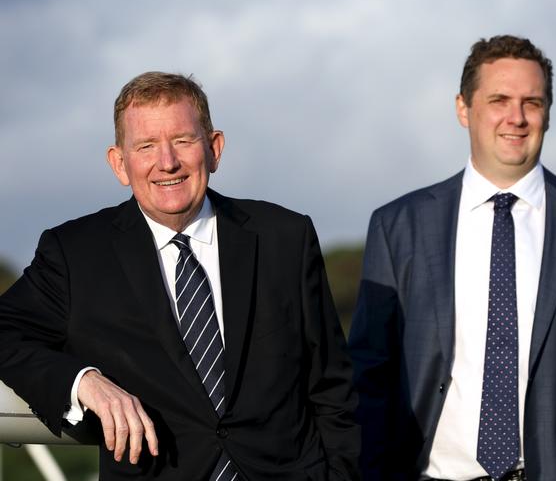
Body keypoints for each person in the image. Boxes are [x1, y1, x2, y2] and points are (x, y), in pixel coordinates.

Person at [0, 72, 359, 480]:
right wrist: (83, 382)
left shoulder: (286, 238)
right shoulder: (76, 254)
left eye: (183, 141)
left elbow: (333, 390)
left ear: (214, 148)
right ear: (120, 163)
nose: (167, 162)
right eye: (146, 146)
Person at [348, 35, 556, 481]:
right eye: (499, 100)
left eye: (533, 101)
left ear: (548, 112)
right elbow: (369, 381)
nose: (517, 117)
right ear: (463, 109)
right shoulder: (399, 226)